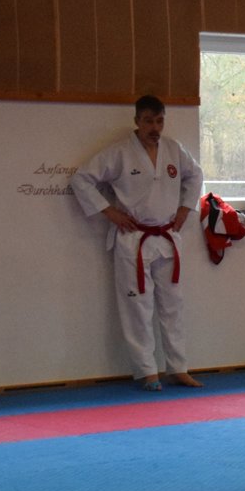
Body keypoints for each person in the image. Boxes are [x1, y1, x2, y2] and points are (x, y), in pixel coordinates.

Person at [70, 94, 204, 392]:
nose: (155, 127)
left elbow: (196, 175)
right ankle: (147, 371)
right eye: (148, 121)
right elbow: (81, 179)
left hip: (167, 238)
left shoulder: (174, 149)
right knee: (138, 309)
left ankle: (178, 368)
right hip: (134, 240)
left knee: (173, 307)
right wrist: (110, 212)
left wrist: (185, 209)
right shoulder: (119, 153)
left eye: (159, 121)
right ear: (137, 121)